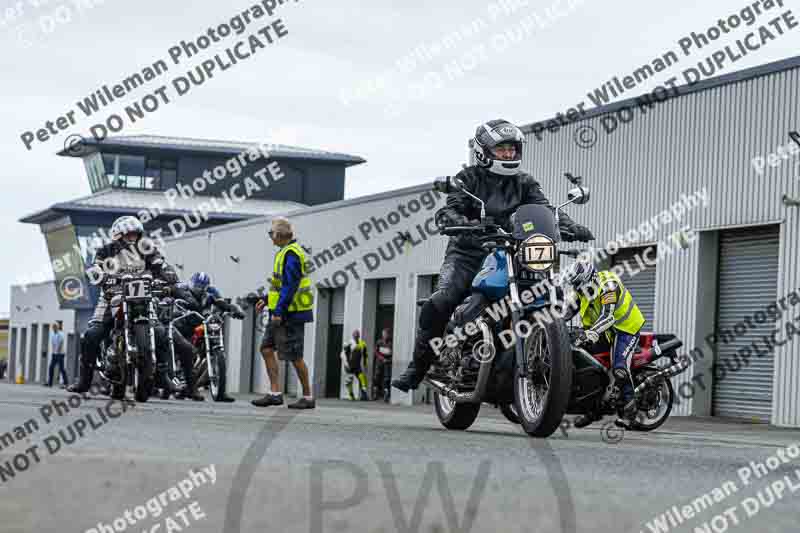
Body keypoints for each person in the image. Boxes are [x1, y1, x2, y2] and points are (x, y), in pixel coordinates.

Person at [392, 119, 594, 393]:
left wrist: (569, 226)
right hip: (468, 253)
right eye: (502, 149)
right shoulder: (468, 179)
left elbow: (546, 209)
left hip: (514, 250)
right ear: (483, 151)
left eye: (512, 149)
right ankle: (418, 367)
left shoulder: (524, 182)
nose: (509, 154)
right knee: (443, 300)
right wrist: (464, 223)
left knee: (553, 292)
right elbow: (450, 210)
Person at [67, 216, 200, 399]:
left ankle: (162, 375)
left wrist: (174, 283)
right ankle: (84, 379)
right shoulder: (105, 251)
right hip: (111, 296)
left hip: (143, 297)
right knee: (92, 334)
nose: (132, 239)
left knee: (161, 333)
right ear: (118, 235)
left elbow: (162, 266)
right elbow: (95, 268)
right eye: (128, 235)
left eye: (135, 235)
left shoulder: (147, 249)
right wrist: (100, 276)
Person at [561, 256, 645, 428]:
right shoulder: (581, 290)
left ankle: (631, 411)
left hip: (625, 329)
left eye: (580, 285)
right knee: (590, 366)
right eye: (575, 285)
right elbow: (566, 313)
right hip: (604, 331)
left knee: (619, 367)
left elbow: (608, 316)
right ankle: (593, 409)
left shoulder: (609, 286)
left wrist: (589, 333)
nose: (578, 289)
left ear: (591, 278)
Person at [251, 217, 315, 409]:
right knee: (266, 349)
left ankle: (308, 397)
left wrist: (279, 310)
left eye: (271, 233)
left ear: (280, 234)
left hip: (291, 313)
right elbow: (280, 285)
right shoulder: (283, 253)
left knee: (295, 356)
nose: (270, 237)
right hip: (281, 310)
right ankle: (275, 393)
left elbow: (290, 285)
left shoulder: (292, 254)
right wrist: (267, 299)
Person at [169, 272, 245, 402]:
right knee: (186, 351)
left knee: (213, 352)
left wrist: (234, 310)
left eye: (202, 286)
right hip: (184, 326)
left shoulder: (211, 292)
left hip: (202, 325)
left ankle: (218, 391)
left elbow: (222, 303)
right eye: (197, 285)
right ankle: (180, 381)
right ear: (192, 283)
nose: (199, 288)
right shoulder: (183, 289)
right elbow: (171, 293)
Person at [341, 330, 369, 401]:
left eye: (357, 335)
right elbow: (343, 354)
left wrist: (365, 365)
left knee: (362, 378)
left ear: (359, 336)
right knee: (349, 380)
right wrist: (346, 364)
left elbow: (365, 355)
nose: (356, 336)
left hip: (357, 365)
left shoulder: (363, 344)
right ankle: (351, 394)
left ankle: (364, 394)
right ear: (353, 335)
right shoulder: (349, 343)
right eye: (355, 335)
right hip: (350, 365)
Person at [373, 328, 393, 402]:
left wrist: (388, 360)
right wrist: (381, 358)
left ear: (388, 334)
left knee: (386, 378)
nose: (384, 335)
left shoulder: (391, 343)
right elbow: (376, 352)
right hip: (379, 362)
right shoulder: (379, 342)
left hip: (387, 363)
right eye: (383, 334)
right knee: (376, 377)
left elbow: (393, 353)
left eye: (386, 334)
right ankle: (375, 393)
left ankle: (386, 394)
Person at [47, 321, 68, 388]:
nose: (54, 328)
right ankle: (50, 383)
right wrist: (53, 352)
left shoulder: (60, 334)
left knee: (61, 368)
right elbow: (53, 344)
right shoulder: (53, 335)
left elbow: (61, 343)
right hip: (54, 354)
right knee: (51, 367)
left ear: (58, 327)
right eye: (53, 327)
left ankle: (66, 383)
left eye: (55, 327)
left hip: (60, 354)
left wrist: (58, 351)